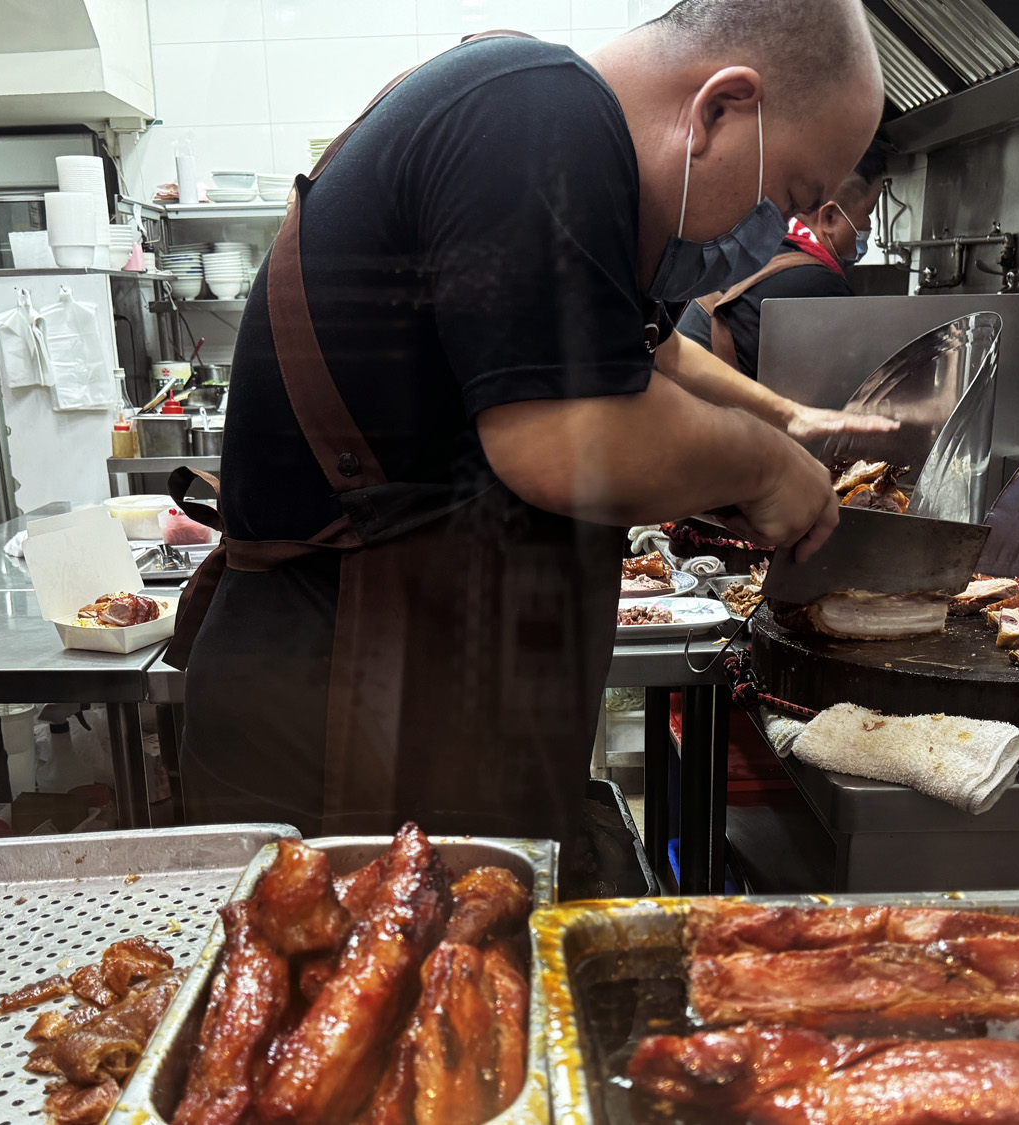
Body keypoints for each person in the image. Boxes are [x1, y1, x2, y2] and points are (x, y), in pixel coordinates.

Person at [173, 0, 885, 846]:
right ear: (719, 110)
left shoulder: (548, 133)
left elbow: (645, 361)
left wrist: (779, 424)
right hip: (337, 729)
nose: (778, 234)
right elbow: (563, 436)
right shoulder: (537, 110)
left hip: (401, 708)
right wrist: (766, 466)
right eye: (791, 196)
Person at [677, 142, 889, 381]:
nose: (868, 227)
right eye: (868, 213)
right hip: (697, 411)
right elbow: (843, 386)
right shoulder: (819, 285)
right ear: (829, 217)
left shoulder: (763, 248)